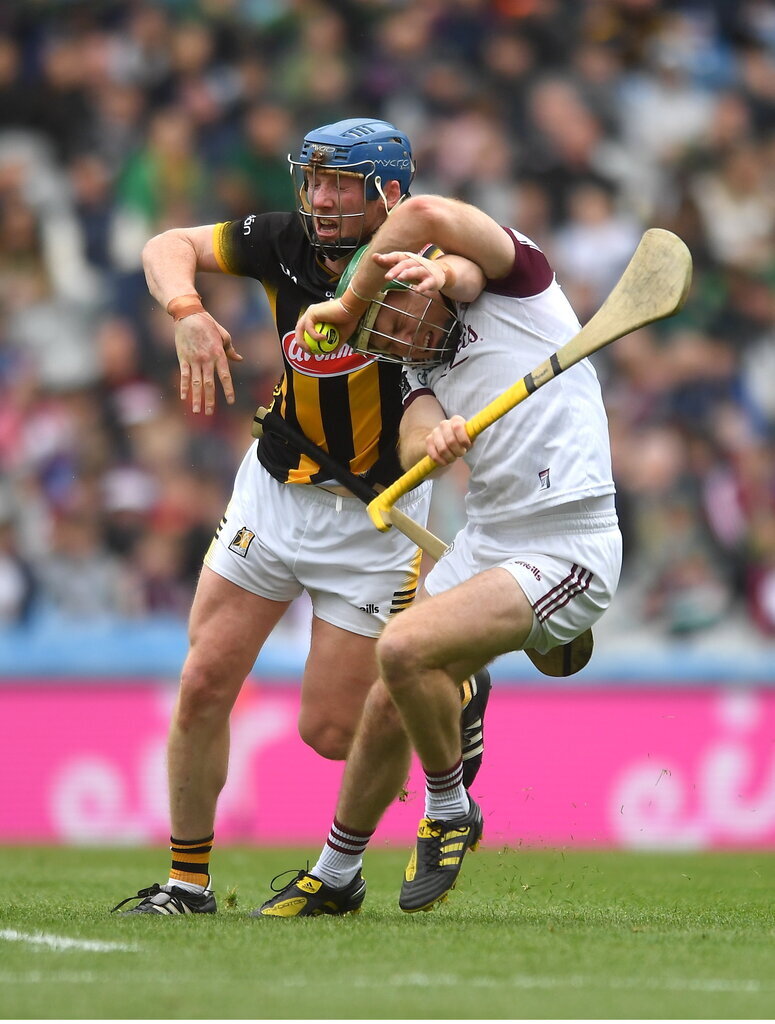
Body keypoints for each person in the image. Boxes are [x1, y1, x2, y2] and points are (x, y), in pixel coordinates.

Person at [111, 120, 490, 916]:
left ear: (389, 191)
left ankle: (451, 698)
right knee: (204, 682)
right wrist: (186, 308)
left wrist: (447, 286)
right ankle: (187, 884)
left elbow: (464, 275)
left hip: (371, 521)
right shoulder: (280, 240)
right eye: (313, 179)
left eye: (341, 183)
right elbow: (165, 244)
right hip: (273, 491)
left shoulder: (415, 268)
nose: (320, 198)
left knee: (329, 732)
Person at [255, 194, 622, 917]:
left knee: (403, 648)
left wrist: (412, 282)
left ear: (413, 281)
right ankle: (336, 874)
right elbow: (411, 437)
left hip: (566, 540)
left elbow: (437, 233)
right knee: (387, 696)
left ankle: (450, 808)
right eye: (375, 332)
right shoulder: (417, 366)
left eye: (388, 316)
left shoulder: (522, 287)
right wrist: (434, 443)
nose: (390, 336)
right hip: (488, 540)